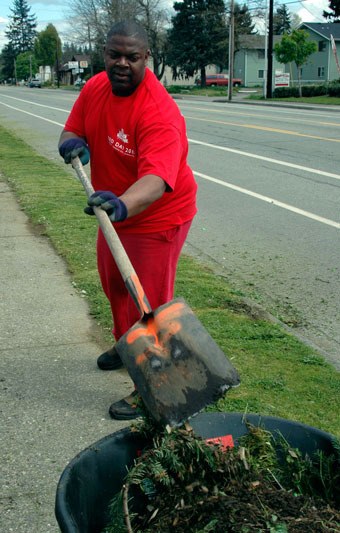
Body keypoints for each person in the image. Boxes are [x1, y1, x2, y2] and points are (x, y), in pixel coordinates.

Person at [58, 20, 197, 420]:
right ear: (104, 54)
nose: (122, 63)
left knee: (146, 304)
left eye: (132, 57)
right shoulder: (95, 87)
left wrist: (121, 204)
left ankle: (153, 387)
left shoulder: (159, 112)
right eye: (114, 54)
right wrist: (71, 143)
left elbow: (155, 181)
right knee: (115, 286)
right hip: (114, 212)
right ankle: (127, 346)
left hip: (156, 217)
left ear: (146, 58)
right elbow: (73, 128)